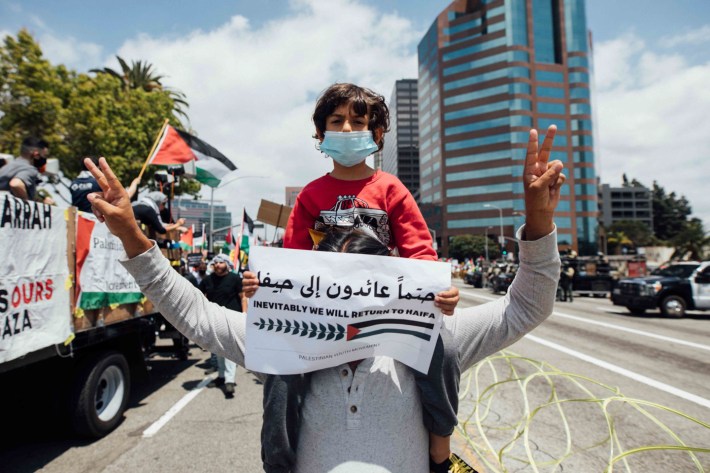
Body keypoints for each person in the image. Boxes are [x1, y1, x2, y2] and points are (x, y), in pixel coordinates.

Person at [84, 120, 564, 472]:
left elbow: (527, 305)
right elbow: (194, 314)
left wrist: (538, 223)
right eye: (333, 268)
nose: (348, 284)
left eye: (367, 268)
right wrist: (132, 236)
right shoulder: (283, 344)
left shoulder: (429, 336)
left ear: (393, 270)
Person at [276, 83, 459, 473]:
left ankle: (441, 446)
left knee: (443, 347)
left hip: (385, 311)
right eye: (336, 121)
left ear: (377, 134)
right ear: (320, 133)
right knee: (278, 366)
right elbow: (289, 260)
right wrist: (262, 287)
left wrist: (439, 291)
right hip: (322, 311)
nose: (345, 129)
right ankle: (278, 457)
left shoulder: (391, 189)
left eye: (357, 122)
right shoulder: (310, 194)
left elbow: (420, 252)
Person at [199, 253, 247, 398]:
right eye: (216, 263)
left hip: (232, 319)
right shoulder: (207, 280)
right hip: (214, 320)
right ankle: (221, 376)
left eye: (221, 262)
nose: (218, 265)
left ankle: (230, 381)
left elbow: (243, 297)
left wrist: (245, 314)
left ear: (227, 264)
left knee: (229, 351)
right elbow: (200, 297)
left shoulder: (235, 279)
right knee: (218, 350)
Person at [0, 136, 53, 203]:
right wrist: (28, 205)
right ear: (36, 155)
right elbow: (16, 184)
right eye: (44, 156)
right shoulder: (30, 169)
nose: (45, 159)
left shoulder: (7, 167)